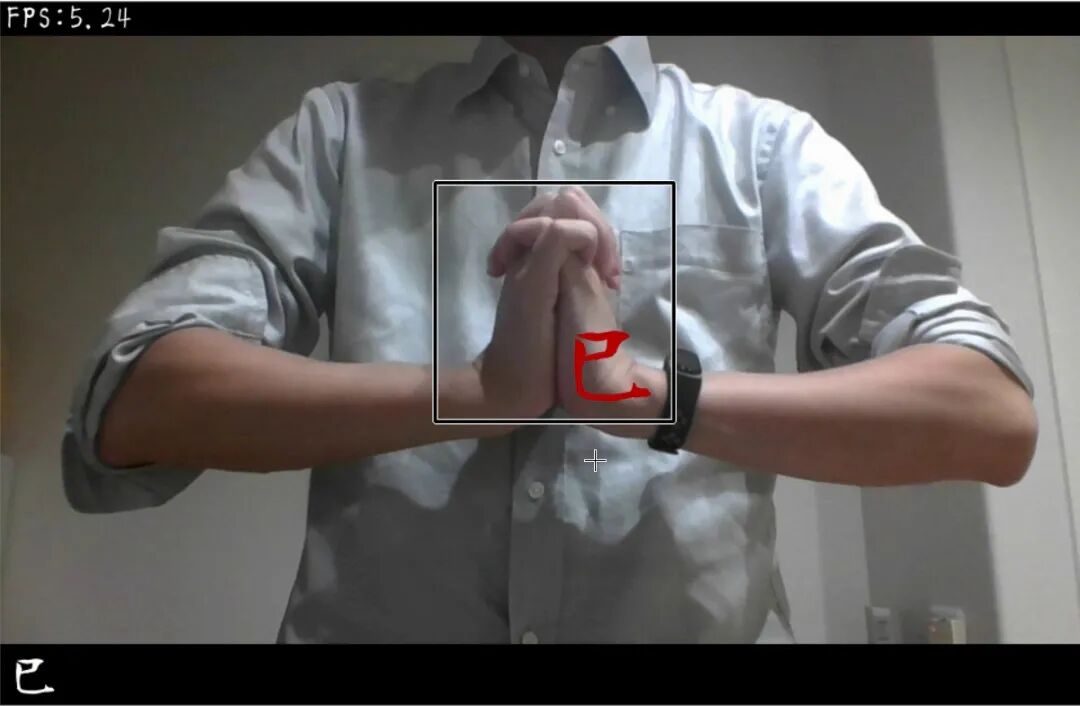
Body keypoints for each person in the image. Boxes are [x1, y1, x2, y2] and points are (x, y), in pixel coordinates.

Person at [63, 36, 1038, 643]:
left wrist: (645, 394)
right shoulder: (340, 134)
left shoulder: (765, 146)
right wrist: (478, 393)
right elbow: (136, 400)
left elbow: (987, 412)